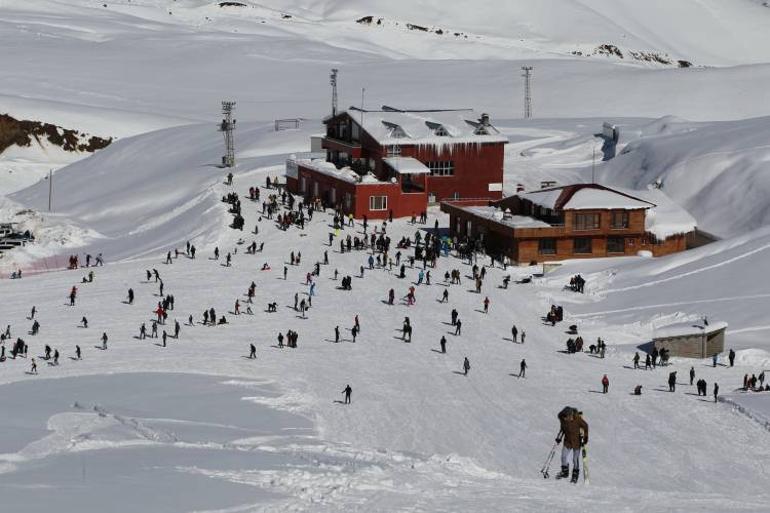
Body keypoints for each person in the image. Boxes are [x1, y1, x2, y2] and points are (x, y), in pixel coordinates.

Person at [556, 407, 588, 483]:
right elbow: (562, 430)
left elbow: (585, 426)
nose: (566, 419)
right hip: (567, 442)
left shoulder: (577, 419)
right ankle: (565, 472)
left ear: (571, 415)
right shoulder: (563, 420)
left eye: (568, 417)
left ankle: (575, 476)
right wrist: (559, 437)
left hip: (577, 442)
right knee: (563, 456)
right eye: (565, 418)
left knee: (575, 459)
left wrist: (585, 437)